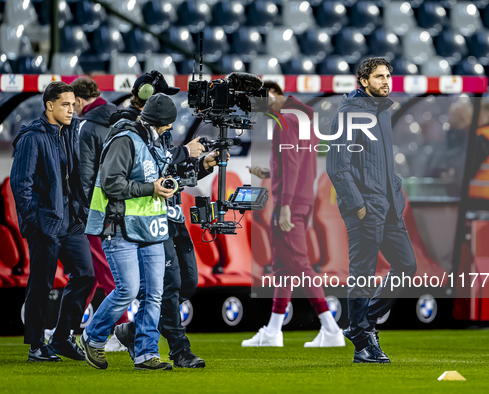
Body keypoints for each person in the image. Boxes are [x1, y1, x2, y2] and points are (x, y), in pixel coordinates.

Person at [112, 71, 225, 368]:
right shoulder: (125, 125)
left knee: (187, 281)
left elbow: (172, 174)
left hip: (171, 215)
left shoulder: (161, 129)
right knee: (169, 284)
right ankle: (179, 350)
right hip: (147, 217)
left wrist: (202, 164)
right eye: (163, 95)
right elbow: (147, 168)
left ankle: (133, 330)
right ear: (149, 96)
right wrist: (185, 151)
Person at [326, 57, 417, 363]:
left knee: (407, 266)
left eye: (388, 76)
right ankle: (363, 341)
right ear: (363, 81)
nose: (386, 81)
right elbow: (338, 167)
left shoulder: (382, 112)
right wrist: (359, 206)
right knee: (362, 275)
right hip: (364, 208)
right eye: (379, 77)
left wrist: (396, 190)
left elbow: (383, 163)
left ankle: (361, 325)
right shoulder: (350, 113)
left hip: (389, 206)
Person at [242, 81, 344, 348]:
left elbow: (293, 162)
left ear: (272, 94)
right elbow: (295, 162)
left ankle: (331, 329)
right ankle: (274, 331)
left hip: (291, 203)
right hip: (301, 198)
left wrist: (284, 204)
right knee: (284, 268)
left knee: (299, 264)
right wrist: (269, 173)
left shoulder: (285, 121)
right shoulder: (301, 117)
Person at [81, 93, 176, 370]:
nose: (170, 129)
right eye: (167, 124)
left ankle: (147, 353)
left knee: (154, 293)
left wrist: (169, 186)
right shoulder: (125, 139)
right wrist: (152, 188)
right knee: (128, 290)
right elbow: (112, 184)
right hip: (120, 226)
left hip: (151, 227)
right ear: (158, 122)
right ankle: (92, 336)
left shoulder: (155, 141)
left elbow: (153, 177)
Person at [10, 81, 95, 362]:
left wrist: (80, 212)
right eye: (65, 105)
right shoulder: (31, 137)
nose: (72, 110)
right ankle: (36, 346)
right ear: (49, 106)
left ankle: (60, 338)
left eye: (73, 105)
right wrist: (35, 221)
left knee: (86, 275)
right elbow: (20, 184)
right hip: (45, 224)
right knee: (41, 284)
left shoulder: (68, 132)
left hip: (71, 223)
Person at [70, 77, 127, 352]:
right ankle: (69, 325)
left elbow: (84, 175)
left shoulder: (87, 126)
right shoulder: (120, 119)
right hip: (122, 206)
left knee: (105, 272)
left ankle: (121, 330)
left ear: (80, 101)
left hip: (95, 210)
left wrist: (81, 211)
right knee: (92, 272)